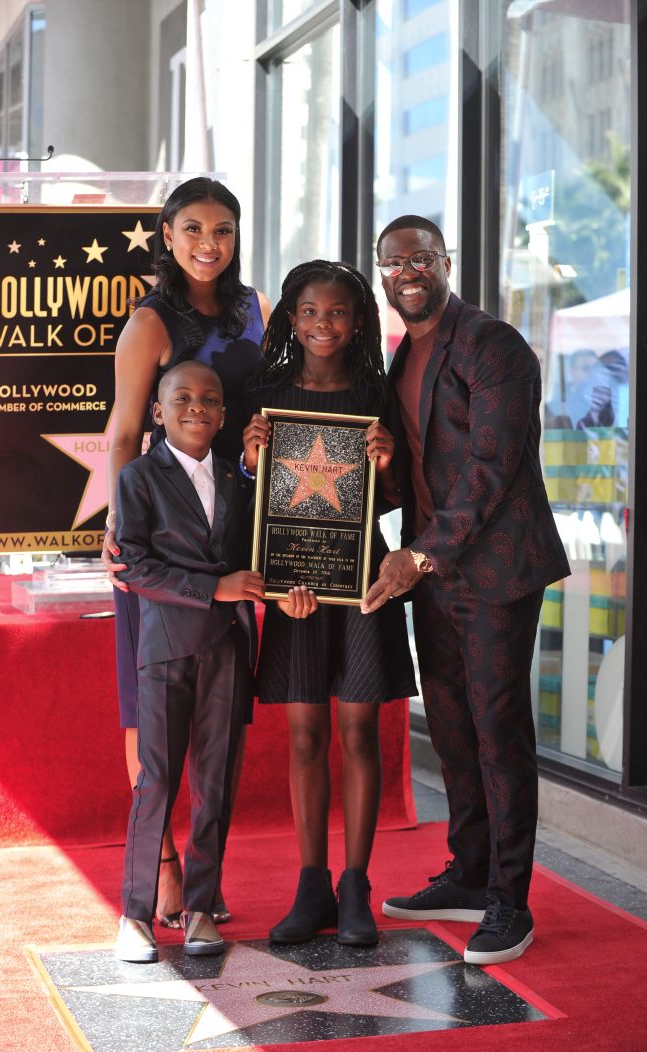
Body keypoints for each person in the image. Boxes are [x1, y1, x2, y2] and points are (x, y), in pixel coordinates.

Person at [361, 216, 571, 966]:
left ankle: (511, 903)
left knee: (497, 731)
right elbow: (413, 469)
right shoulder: (400, 355)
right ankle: (471, 873)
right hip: (435, 572)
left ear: (446, 263)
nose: (407, 270)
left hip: (495, 570)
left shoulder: (493, 345)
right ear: (380, 272)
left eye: (421, 258)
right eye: (394, 261)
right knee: (450, 727)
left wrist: (415, 557)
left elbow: (490, 469)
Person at [103, 177, 270, 927]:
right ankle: (162, 869)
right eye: (194, 227)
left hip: (233, 527)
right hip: (163, 536)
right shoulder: (150, 320)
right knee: (151, 716)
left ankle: (202, 879)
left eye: (225, 229)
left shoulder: (253, 309)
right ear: (166, 234)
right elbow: (123, 429)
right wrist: (120, 526)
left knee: (214, 721)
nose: (211, 243)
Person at [242, 260, 417, 947]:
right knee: (306, 734)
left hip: (361, 577)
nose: (323, 324)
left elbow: (400, 498)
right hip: (295, 582)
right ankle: (310, 883)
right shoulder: (268, 393)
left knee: (359, 733)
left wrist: (385, 463)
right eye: (310, 312)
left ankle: (354, 886)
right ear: (291, 318)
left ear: (359, 322)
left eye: (338, 313)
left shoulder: (381, 393)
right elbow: (248, 501)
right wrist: (252, 461)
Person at [113, 360, 264, 963]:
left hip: (227, 648)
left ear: (224, 415)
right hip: (166, 648)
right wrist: (215, 588)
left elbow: (264, 549)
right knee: (156, 781)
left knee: (216, 783)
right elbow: (135, 566)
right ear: (158, 411)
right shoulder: (138, 478)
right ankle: (134, 914)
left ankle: (201, 907)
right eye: (182, 398)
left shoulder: (237, 480)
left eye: (209, 400)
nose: (196, 408)